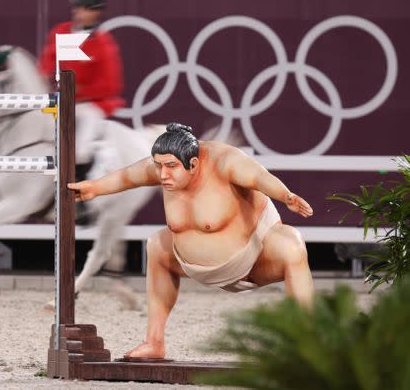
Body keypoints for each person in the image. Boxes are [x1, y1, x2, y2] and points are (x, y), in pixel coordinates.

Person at [68, 123, 315, 359]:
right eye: (158, 166)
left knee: (291, 244)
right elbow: (126, 178)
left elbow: (259, 177)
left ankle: (306, 344)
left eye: (171, 167)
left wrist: (286, 195)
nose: (163, 175)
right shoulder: (164, 167)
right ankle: (154, 342)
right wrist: (94, 187)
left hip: (252, 262)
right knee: (157, 244)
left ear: (194, 164)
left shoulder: (226, 161)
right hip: (195, 267)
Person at [38, 0, 124, 170]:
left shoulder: (104, 43)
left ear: (96, 12)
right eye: (79, 6)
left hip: (89, 105)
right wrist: (47, 78)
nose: (80, 12)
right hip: (58, 99)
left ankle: (79, 190)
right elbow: (46, 63)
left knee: (81, 148)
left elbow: (110, 85)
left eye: (87, 8)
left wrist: (78, 91)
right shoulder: (59, 31)